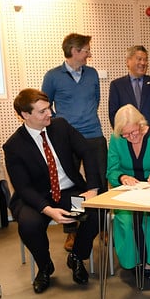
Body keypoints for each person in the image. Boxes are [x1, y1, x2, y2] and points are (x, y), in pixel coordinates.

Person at [3, 89, 100, 294]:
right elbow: (23, 187)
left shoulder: (60, 126)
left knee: (93, 213)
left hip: (68, 193)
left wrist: (92, 189)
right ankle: (45, 265)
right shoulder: (14, 146)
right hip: (35, 199)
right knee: (29, 225)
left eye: (49, 108)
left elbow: (87, 151)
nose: (50, 114)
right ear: (25, 115)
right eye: (42, 111)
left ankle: (76, 256)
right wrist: (48, 210)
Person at [41, 33, 108, 252]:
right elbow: (45, 105)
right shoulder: (52, 76)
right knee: (72, 186)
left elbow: (95, 100)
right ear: (74, 51)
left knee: (99, 183)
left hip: (94, 134)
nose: (89, 54)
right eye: (86, 50)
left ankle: (101, 226)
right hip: (67, 140)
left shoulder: (92, 73)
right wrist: (61, 125)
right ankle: (73, 229)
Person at [107, 104, 150, 278]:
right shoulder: (117, 139)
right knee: (127, 222)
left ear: (141, 124)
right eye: (126, 135)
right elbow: (111, 171)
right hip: (127, 193)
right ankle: (133, 260)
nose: (131, 137)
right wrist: (122, 177)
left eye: (134, 132)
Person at [108, 45, 150, 130]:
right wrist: (127, 133)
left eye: (145, 60)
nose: (143, 63)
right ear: (128, 61)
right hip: (127, 135)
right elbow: (114, 114)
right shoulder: (117, 85)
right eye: (139, 59)